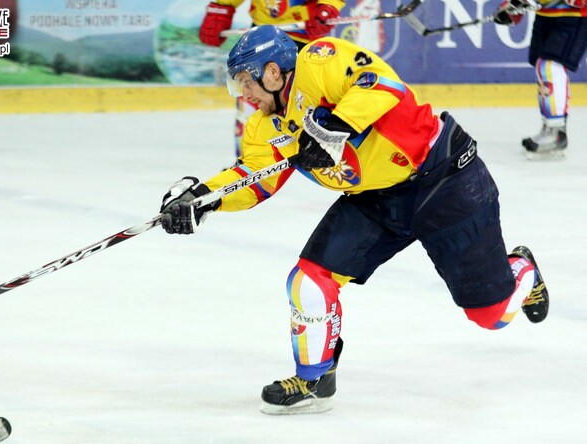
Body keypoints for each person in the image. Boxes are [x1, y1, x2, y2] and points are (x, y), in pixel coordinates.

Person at [159, 25, 550, 415]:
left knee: (491, 315)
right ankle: (315, 379)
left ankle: (522, 270)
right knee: (309, 280)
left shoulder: (320, 61)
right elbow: (254, 178)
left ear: (273, 72)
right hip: (376, 198)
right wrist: (204, 198)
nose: (243, 94)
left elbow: (380, 84)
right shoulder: (265, 127)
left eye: (247, 81)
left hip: (444, 178)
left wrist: (336, 127)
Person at [198, 0, 346, 158]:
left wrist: (329, 4)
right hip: (260, 36)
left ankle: (307, 157)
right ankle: (248, 162)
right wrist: (223, 5)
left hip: (304, 37)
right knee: (249, 103)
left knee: (303, 108)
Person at [494, 0, 587, 159]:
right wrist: (514, 6)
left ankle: (556, 131)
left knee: (549, 66)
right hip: (545, 17)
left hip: (574, 17)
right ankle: (551, 127)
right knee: (543, 70)